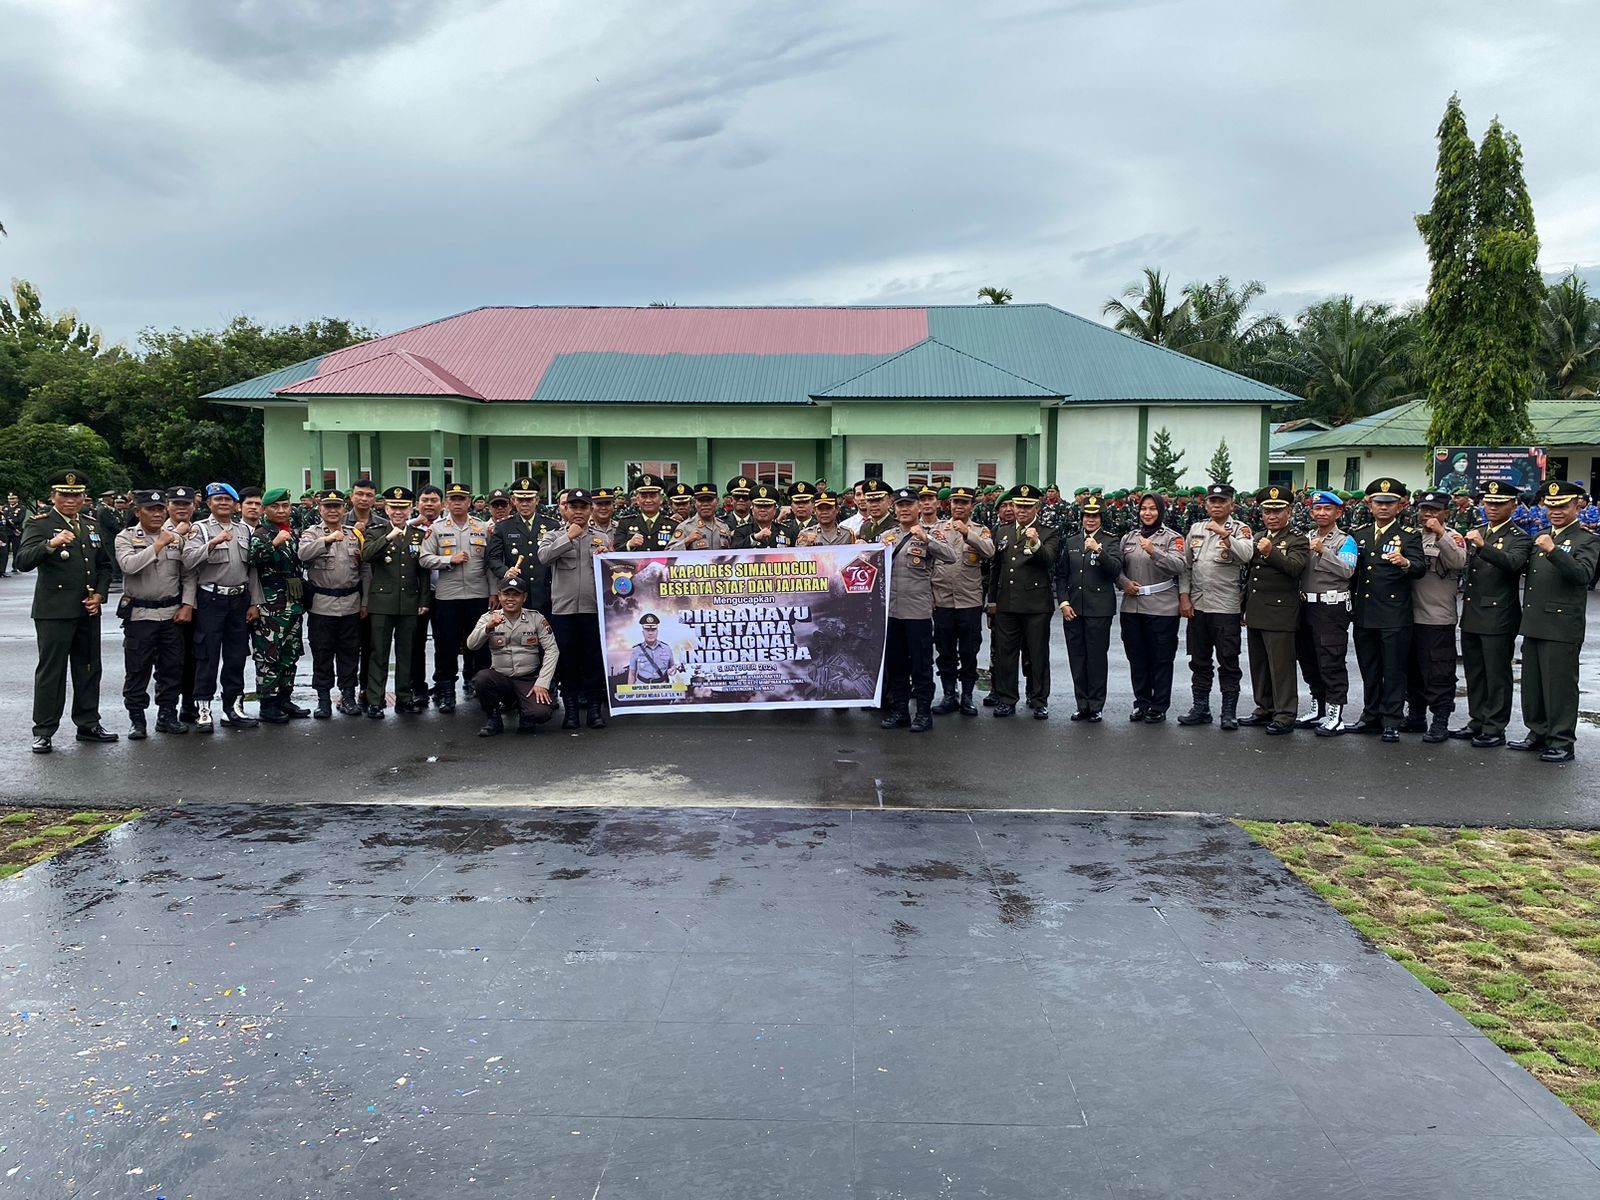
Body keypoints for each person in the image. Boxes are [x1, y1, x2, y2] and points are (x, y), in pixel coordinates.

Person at [18, 471, 118, 753]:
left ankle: (88, 723)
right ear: (53, 496)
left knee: (88, 668)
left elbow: (104, 566)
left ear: (84, 497)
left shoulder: (90, 523)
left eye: (76, 495)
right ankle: (44, 730)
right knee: (52, 672)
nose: (72, 500)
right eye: (65, 494)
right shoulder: (41, 524)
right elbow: (24, 560)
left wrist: (99, 595)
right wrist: (49, 545)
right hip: (54, 611)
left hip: (87, 609)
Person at [1509, 479, 1600, 762]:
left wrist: (1553, 551)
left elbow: (1582, 575)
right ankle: (1537, 731)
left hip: (1561, 625)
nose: (1555, 511)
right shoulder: (1543, 534)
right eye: (1550, 506)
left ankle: (1561, 740)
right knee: (1533, 684)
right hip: (1535, 620)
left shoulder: (1588, 539)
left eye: (1562, 506)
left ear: (1577, 505)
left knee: (1559, 685)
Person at [116, 489, 203, 738]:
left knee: (172, 667)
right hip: (141, 614)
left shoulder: (177, 539)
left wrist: (187, 604)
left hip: (171, 613)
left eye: (159, 509)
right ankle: (137, 718)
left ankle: (167, 714)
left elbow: (188, 574)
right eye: (149, 510)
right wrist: (159, 544)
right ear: (137, 512)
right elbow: (128, 566)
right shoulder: (126, 537)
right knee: (137, 669)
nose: (156, 514)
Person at [1451, 478, 1531, 748]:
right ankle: (1477, 719)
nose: (1492, 508)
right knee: (1475, 672)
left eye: (1499, 503)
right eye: (1488, 502)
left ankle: (1495, 726)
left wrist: (1483, 546)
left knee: (1496, 673)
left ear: (1514, 505)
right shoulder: (1479, 530)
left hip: (1498, 614)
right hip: (1473, 611)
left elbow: (1513, 564)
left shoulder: (1519, 537)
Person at [1347, 478, 1426, 742]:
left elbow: (1419, 568)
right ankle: (1371, 716)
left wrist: (1405, 562)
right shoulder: (1359, 534)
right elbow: (1352, 574)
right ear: (1370, 504)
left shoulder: (1408, 535)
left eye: (1389, 503)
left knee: (1393, 670)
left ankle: (1392, 719)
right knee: (1369, 668)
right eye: (1379, 502)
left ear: (1400, 506)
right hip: (1365, 612)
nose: (1383, 507)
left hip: (1394, 614)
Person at [879, 487, 957, 730]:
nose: (904, 509)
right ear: (894, 508)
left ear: (918, 508)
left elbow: (951, 556)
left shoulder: (931, 533)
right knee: (896, 664)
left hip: (918, 611)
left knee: (922, 665)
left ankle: (923, 713)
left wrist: (927, 539)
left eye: (909, 505)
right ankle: (900, 711)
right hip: (891, 611)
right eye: (900, 505)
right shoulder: (887, 536)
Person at [1177, 483, 1254, 729]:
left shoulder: (1241, 529)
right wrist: (1184, 597)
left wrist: (1224, 534)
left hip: (1226, 607)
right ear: (1206, 504)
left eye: (1222, 501)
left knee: (1228, 661)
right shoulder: (1196, 528)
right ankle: (1200, 708)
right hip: (1198, 605)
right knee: (1199, 661)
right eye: (1212, 501)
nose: (1216, 505)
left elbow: (1246, 555)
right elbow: (1186, 567)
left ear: (1232, 504)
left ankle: (1228, 712)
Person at [537, 489, 613, 729]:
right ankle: (570, 711)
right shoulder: (554, 535)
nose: (578, 511)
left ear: (590, 510)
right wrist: (568, 537)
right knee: (567, 661)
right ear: (566, 509)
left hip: (593, 609)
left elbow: (614, 569)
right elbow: (543, 557)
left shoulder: (601, 536)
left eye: (583, 506)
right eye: (574, 506)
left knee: (593, 660)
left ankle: (594, 710)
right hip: (564, 610)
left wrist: (608, 555)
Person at [1236, 486, 1309, 733]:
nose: (1272, 516)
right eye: (1268, 511)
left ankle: (1285, 714)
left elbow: (1295, 568)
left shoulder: (1297, 538)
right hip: (1257, 609)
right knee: (1259, 664)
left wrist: (1271, 552)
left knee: (1281, 667)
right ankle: (1264, 707)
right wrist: (1243, 606)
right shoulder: (1257, 535)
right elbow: (1250, 575)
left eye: (1278, 511)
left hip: (1280, 612)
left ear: (1288, 511)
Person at [187, 482, 258, 732]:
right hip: (211, 600)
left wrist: (254, 602)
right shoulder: (200, 529)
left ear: (235, 504)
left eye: (228, 500)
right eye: (218, 500)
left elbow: (252, 570)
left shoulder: (244, 530)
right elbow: (187, 561)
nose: (224, 504)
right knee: (207, 655)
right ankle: (204, 709)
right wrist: (213, 543)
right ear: (209, 504)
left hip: (239, 599)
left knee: (237, 655)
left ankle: (234, 708)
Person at [417, 482, 492, 712]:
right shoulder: (437, 529)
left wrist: (494, 591)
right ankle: (446, 689)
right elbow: (424, 558)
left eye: (462, 499)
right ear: (447, 503)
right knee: (446, 644)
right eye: (453, 499)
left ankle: (481, 686)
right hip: (448, 597)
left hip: (478, 594)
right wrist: (449, 560)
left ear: (469, 502)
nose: (458, 503)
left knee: (479, 644)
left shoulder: (481, 528)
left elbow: (490, 563)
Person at [988, 485, 1060, 718]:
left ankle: (1039, 700)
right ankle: (1007, 699)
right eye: (1018, 506)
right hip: (1007, 602)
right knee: (1006, 654)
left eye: (1027, 507)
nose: (1021, 511)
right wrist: (991, 601)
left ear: (1036, 507)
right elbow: (995, 569)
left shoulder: (1048, 532)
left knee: (1037, 654)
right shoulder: (1002, 531)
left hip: (1035, 604)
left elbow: (1049, 560)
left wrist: (1036, 543)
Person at [362, 486, 432, 718]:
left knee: (406, 652)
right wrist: (388, 537)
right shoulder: (376, 531)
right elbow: (367, 555)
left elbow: (422, 572)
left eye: (403, 507)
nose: (398, 512)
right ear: (386, 508)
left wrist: (423, 599)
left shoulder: (418, 535)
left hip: (409, 602)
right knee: (379, 652)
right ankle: (375, 699)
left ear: (410, 508)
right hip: (382, 602)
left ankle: (404, 696)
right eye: (394, 507)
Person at [1404, 490, 1468, 742]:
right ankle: (1416, 715)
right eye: (1424, 509)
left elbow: (1458, 562)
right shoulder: (1411, 537)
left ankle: (1440, 719)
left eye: (1434, 510)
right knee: (1412, 670)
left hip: (1436, 616)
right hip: (1408, 615)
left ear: (1445, 513)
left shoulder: (1453, 537)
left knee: (1439, 672)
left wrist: (1440, 533)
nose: (1428, 514)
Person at [1293, 491, 1359, 736]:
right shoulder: (1305, 537)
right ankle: (1317, 706)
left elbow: (1347, 571)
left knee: (1331, 661)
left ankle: (1335, 714)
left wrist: (1323, 551)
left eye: (1327, 509)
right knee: (1308, 660)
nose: (1321, 513)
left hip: (1331, 608)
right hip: (1305, 605)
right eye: (1317, 509)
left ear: (1338, 512)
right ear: (1311, 512)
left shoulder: (1345, 541)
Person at [1117, 493, 1186, 722]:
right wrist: (1123, 583)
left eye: (1153, 509)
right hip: (1132, 607)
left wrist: (1154, 551)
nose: (1148, 513)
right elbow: (1117, 568)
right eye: (1144, 509)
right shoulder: (1128, 537)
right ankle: (1142, 702)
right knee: (1137, 657)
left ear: (1161, 511)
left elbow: (1179, 565)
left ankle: (1159, 706)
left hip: (1161, 607)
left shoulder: (1172, 538)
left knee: (1161, 659)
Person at [1054, 496, 1123, 721]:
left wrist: (1098, 550)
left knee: (1095, 658)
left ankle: (1095, 706)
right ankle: (1081, 704)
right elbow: (1061, 575)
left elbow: (1115, 570)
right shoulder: (1072, 541)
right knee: (1077, 657)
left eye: (1094, 516)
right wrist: (1063, 603)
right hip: (1073, 609)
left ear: (1101, 518)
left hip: (1098, 609)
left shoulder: (1111, 541)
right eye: (1087, 516)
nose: (1090, 520)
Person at [298, 489, 365, 718]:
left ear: (344, 509)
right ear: (320, 509)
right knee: (322, 652)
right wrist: (326, 540)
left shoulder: (354, 534)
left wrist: (365, 602)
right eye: (328, 506)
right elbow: (303, 554)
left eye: (337, 506)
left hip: (351, 603)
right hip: (322, 604)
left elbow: (364, 568)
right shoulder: (311, 532)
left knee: (349, 652)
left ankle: (348, 696)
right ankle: (323, 699)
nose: (333, 510)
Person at [929, 486, 994, 716]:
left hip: (969, 601)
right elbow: (928, 563)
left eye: (964, 503)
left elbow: (989, 551)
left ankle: (967, 695)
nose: (958, 506)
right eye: (955, 502)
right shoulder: (938, 529)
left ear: (971, 506)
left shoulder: (980, 529)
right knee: (945, 650)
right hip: (943, 600)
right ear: (949, 505)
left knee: (969, 650)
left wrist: (968, 533)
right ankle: (949, 694)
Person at [466, 577, 559, 736]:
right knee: (482, 679)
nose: (510, 599)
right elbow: (471, 645)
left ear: (524, 597)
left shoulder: (536, 618)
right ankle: (493, 719)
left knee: (540, 713)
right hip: (501, 677)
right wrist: (487, 628)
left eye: (515, 595)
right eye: (506, 594)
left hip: (528, 678)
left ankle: (525, 712)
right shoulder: (489, 618)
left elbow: (552, 650)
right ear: (500, 596)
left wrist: (543, 682)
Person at [248, 488, 309, 724]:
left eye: (286, 505)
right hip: (271, 606)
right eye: (276, 506)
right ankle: (268, 703)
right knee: (268, 654)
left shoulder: (290, 532)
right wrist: (273, 543)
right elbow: (253, 561)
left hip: (293, 603)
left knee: (290, 653)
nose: (282, 510)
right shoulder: (262, 534)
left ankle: (285, 697)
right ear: (265, 510)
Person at [489, 477, 557, 618]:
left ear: (537, 500)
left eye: (529, 500)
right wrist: (505, 572)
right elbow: (493, 558)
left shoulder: (552, 525)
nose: (525, 504)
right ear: (514, 501)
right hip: (515, 592)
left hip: (546, 593)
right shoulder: (503, 527)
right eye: (520, 500)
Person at [406, 483, 445, 708]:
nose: (429, 504)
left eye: (434, 500)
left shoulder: (448, 526)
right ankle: (417, 687)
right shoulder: (409, 528)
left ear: (442, 504)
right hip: (416, 594)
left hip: (442, 593)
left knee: (444, 641)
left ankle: (442, 685)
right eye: (425, 500)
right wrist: (413, 523)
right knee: (415, 642)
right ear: (417, 503)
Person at [731, 484, 799, 547]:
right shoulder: (741, 531)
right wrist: (754, 538)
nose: (762, 510)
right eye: (759, 506)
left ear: (775, 510)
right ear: (752, 509)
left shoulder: (787, 531)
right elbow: (733, 551)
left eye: (767, 506)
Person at [671, 483, 735, 549]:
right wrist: (686, 541)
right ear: (694, 503)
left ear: (717, 501)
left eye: (709, 500)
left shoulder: (723, 526)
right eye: (701, 500)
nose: (705, 504)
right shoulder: (685, 527)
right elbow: (668, 554)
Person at [626, 612, 675, 688]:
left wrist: (673, 670)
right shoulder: (636, 650)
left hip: (662, 688)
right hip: (641, 688)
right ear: (643, 632)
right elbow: (632, 673)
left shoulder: (666, 648)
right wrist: (629, 692)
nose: (650, 633)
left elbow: (672, 667)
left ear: (657, 632)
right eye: (647, 630)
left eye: (653, 630)